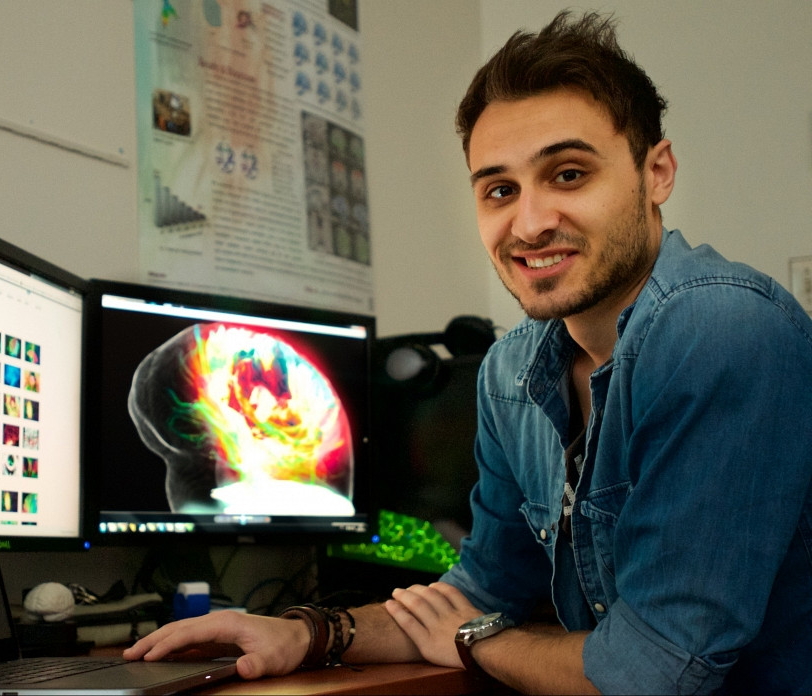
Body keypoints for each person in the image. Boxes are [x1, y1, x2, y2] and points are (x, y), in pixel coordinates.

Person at [123, 10, 812, 694]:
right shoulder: (512, 373)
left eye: (568, 174)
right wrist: (305, 633)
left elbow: (652, 672)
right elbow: (478, 590)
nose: (531, 222)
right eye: (500, 190)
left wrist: (476, 641)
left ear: (656, 172)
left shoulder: (720, 328)